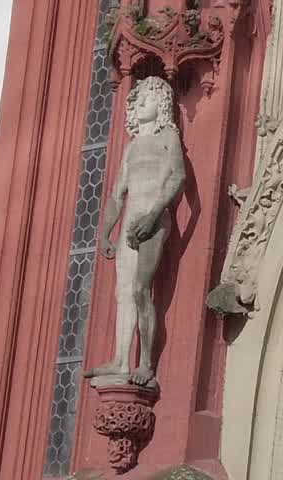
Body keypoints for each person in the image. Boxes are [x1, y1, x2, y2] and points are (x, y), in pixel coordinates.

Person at [84, 76, 185, 388]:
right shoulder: (131, 147)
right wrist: (105, 234)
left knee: (141, 290)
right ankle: (119, 359)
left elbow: (177, 176)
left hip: (153, 221)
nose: (140, 105)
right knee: (122, 292)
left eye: (148, 99)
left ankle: (145, 363)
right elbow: (116, 195)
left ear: (163, 104)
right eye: (138, 100)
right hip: (130, 220)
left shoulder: (167, 136)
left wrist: (155, 214)